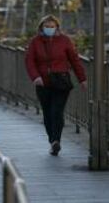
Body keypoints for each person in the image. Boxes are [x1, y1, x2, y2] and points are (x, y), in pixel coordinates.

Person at [25, 15, 87, 156]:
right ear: (41, 27)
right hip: (43, 83)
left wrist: (82, 79)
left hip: (61, 82)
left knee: (56, 111)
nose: (50, 29)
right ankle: (52, 140)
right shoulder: (35, 42)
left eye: (52, 26)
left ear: (57, 27)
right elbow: (29, 61)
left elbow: (74, 60)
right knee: (47, 112)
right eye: (47, 26)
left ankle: (56, 141)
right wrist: (36, 77)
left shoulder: (65, 41)